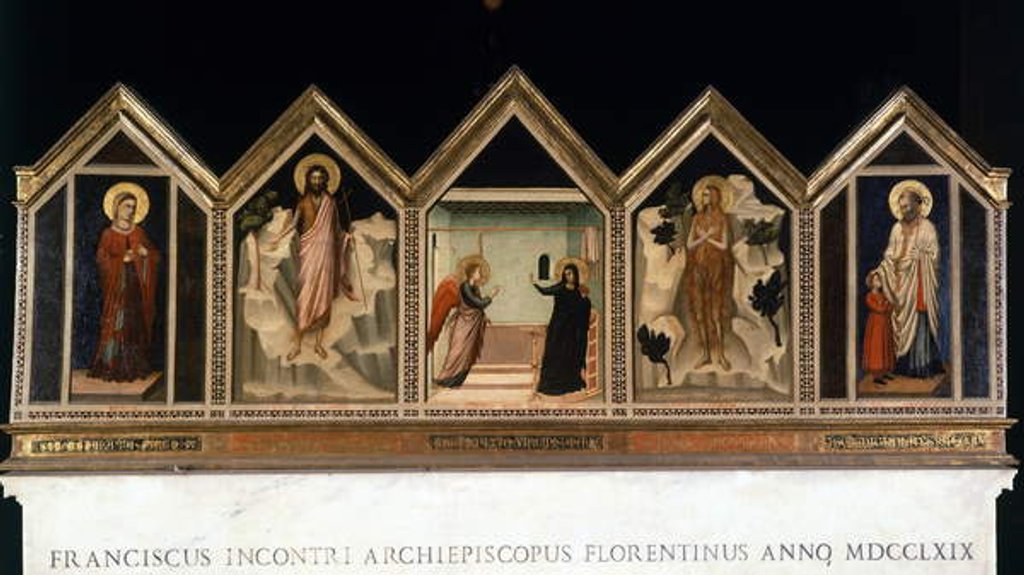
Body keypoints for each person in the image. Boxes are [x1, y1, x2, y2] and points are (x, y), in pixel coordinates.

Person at [274, 157, 358, 361]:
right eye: (314, 178)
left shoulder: (331, 202)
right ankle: (297, 345)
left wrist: (347, 237)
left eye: (320, 178)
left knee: (324, 297)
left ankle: (319, 344)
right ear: (308, 181)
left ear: (326, 181)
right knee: (305, 297)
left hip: (327, 255)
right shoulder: (303, 202)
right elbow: (294, 224)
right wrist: (278, 237)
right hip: (309, 252)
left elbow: (336, 229)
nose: (317, 181)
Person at [89, 187, 161, 382]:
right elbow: (102, 260)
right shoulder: (108, 234)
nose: (130, 211)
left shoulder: (139, 232)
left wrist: (146, 255)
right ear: (116, 207)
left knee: (134, 325)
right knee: (116, 323)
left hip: (136, 288)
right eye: (127, 206)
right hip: (117, 289)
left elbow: (154, 257)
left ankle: (134, 366)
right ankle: (112, 365)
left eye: (133, 207)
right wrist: (121, 260)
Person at [874, 181, 944, 378]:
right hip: (901, 281)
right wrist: (885, 266)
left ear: (917, 205)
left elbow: (934, 255)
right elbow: (891, 253)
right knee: (900, 320)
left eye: (907, 206)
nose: (904, 210)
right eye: (902, 207)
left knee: (920, 320)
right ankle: (902, 365)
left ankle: (921, 366)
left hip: (919, 281)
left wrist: (921, 256)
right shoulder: (897, 228)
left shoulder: (927, 227)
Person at [684, 178, 734, 371]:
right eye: (703, 195)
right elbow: (690, 244)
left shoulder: (722, 218)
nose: (704, 198)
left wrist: (708, 238)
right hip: (698, 267)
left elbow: (724, 245)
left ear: (715, 196)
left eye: (707, 195)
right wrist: (705, 236)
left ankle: (720, 355)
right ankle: (706, 355)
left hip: (715, 268)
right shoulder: (697, 218)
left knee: (716, 313)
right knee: (699, 312)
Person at [433, 258, 500, 388]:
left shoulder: (475, 287)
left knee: (467, 354)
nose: (480, 274)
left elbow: (478, 307)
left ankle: (456, 381)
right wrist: (491, 296)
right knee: (457, 351)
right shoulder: (465, 287)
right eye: (478, 272)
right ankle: (444, 378)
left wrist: (484, 316)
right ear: (472, 273)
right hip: (464, 324)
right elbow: (477, 303)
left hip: (473, 325)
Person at [533, 262, 591, 396]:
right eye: (566, 274)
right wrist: (534, 283)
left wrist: (584, 299)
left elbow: (584, 307)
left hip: (572, 330)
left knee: (570, 355)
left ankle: (570, 383)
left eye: (570, 274)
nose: (568, 276)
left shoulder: (579, 290)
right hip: (558, 329)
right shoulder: (560, 287)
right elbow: (545, 291)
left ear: (575, 274)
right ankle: (552, 385)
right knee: (555, 355)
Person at [861, 270, 896, 384]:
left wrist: (885, 306)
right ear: (871, 282)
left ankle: (885, 371)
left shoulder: (883, 294)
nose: (879, 281)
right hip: (875, 326)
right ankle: (877, 375)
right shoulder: (869, 296)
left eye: (880, 279)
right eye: (876, 280)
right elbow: (878, 308)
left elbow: (890, 306)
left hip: (885, 324)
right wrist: (884, 306)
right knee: (877, 347)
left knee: (885, 346)